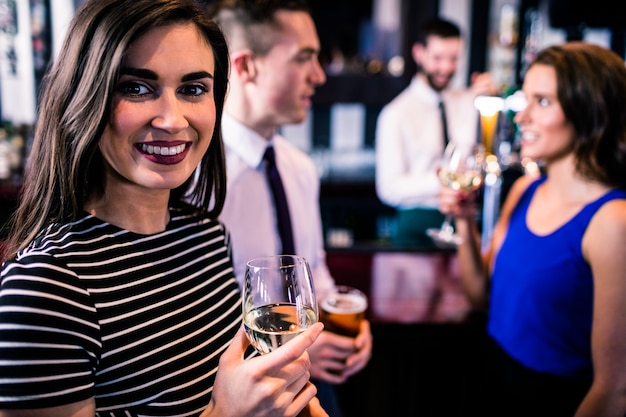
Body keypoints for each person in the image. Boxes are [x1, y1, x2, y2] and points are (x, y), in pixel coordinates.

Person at [0, 0, 328, 416]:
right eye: (136, 88)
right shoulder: (45, 287)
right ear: (84, 98)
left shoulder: (206, 236)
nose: (172, 120)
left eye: (193, 89)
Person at [438, 42, 626, 417]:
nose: (521, 117)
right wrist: (464, 218)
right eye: (526, 100)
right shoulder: (526, 190)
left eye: (542, 102)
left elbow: (614, 390)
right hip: (492, 380)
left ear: (589, 112)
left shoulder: (613, 221)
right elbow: (481, 298)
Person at [206, 1, 373, 416]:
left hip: (312, 381)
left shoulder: (298, 167)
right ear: (245, 67)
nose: (319, 75)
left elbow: (313, 268)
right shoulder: (196, 179)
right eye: (304, 58)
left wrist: (342, 322)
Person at [375, 17, 496, 247]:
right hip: (417, 224)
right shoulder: (395, 114)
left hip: (464, 221)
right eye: (438, 58)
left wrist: (491, 96)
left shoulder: (468, 100)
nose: (447, 68)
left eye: (453, 59)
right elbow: (388, 188)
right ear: (419, 53)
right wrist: (442, 179)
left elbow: (481, 154)